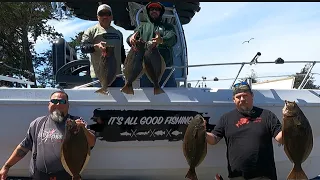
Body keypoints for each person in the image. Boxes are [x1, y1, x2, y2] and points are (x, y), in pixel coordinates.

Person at [0, 90, 96, 180]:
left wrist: (83, 129)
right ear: (48, 104)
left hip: (66, 175)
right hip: (39, 175)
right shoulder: (37, 123)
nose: (58, 104)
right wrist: (7, 166)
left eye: (62, 102)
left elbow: (91, 143)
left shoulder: (76, 122)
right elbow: (23, 148)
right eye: (54, 101)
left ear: (68, 106)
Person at [206, 81, 283, 180]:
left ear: (252, 96)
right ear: (234, 100)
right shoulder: (226, 118)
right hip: (237, 176)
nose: (242, 99)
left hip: (264, 176)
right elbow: (214, 139)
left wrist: (290, 124)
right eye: (238, 97)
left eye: (245, 95)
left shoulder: (267, 115)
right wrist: (201, 132)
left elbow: (280, 138)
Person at [127, 2, 178, 88]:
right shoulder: (142, 27)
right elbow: (131, 39)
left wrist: (161, 40)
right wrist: (130, 38)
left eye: (157, 9)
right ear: (148, 12)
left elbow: (173, 38)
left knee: (170, 96)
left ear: (160, 12)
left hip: (165, 69)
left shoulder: (168, 27)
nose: (154, 11)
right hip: (146, 69)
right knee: (147, 99)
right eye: (152, 9)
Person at [81, 4, 126, 87]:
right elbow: (83, 48)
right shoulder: (91, 31)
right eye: (102, 14)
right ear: (98, 16)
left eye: (107, 14)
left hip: (117, 76)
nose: (105, 16)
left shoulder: (118, 33)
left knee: (120, 99)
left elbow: (122, 54)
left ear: (112, 16)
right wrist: (96, 46)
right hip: (99, 76)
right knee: (102, 98)